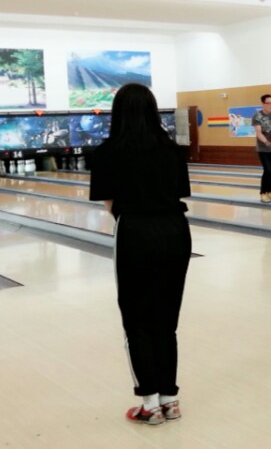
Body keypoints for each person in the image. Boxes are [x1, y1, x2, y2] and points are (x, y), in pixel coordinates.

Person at [89, 83, 192, 426]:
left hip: (134, 231)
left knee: (137, 320)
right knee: (166, 319)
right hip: (176, 230)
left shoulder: (107, 152)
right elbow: (179, 192)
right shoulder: (171, 149)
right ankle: (170, 399)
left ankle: (149, 404)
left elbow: (110, 205)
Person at [252, 94, 271, 203]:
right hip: (263, 148)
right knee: (268, 170)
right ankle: (263, 193)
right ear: (263, 104)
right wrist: (266, 141)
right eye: (268, 103)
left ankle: (270, 191)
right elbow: (258, 132)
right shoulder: (257, 115)